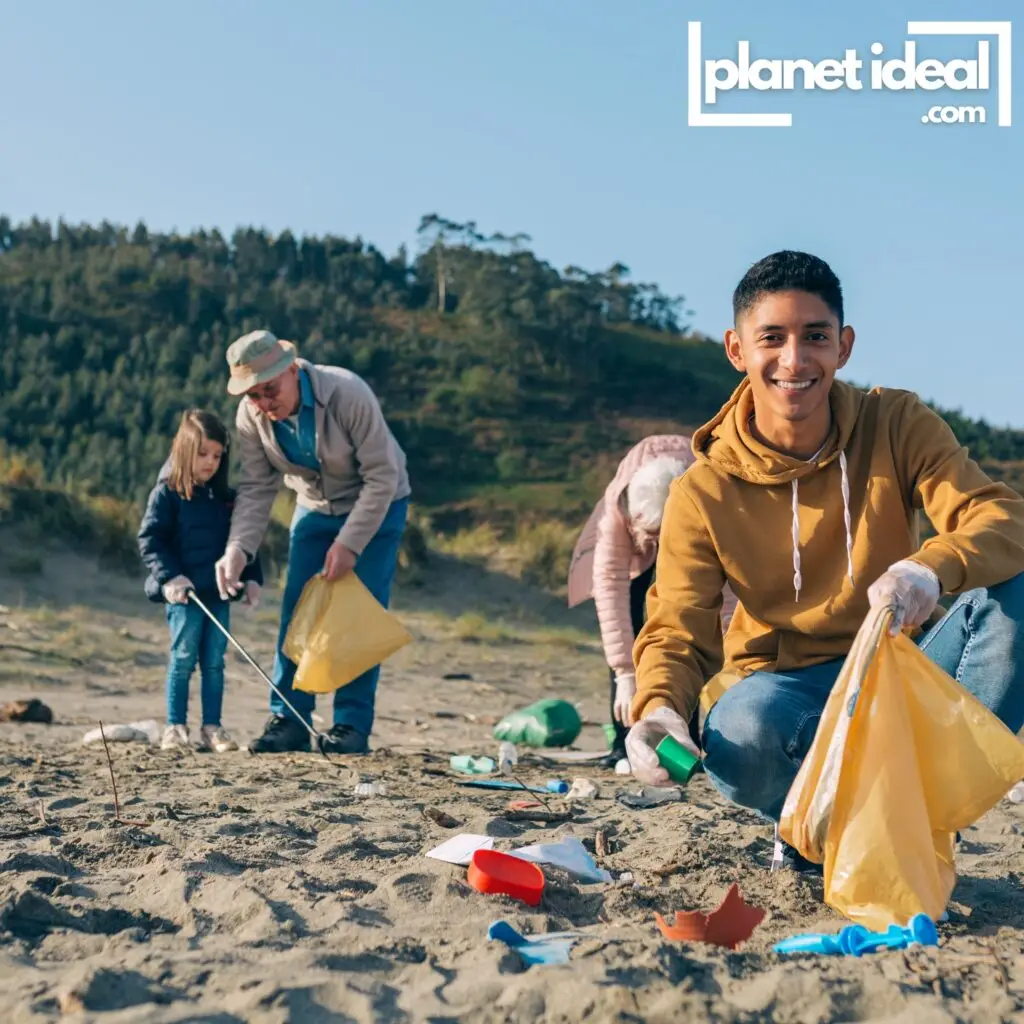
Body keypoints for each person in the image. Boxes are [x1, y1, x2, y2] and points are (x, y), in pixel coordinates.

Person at [625, 250, 1024, 867]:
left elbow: (1001, 518)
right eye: (772, 339)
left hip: (902, 663)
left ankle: (899, 815)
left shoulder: (898, 424)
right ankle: (834, 820)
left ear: (844, 346)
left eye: (815, 337)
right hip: (785, 693)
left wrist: (929, 567)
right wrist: (657, 709)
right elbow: (677, 627)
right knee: (744, 734)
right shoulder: (702, 493)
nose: (795, 360)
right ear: (736, 350)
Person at [213, 330, 411, 755]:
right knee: (298, 613)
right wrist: (238, 549)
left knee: (357, 616)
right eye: (254, 396)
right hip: (315, 507)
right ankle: (290, 718)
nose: (265, 403)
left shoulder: (347, 392)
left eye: (270, 390)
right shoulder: (251, 418)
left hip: (378, 502)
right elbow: (256, 488)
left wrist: (350, 544)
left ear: (292, 368)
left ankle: (350, 726)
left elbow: (382, 477)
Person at [567, 436, 737, 763]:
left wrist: (729, 649)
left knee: (690, 631)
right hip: (633, 551)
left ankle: (686, 739)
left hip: (693, 533)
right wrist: (625, 673)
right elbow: (610, 590)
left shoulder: (710, 502)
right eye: (653, 535)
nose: (659, 546)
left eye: (663, 536)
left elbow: (727, 585)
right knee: (632, 625)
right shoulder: (617, 514)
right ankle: (624, 741)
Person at [138, 409, 264, 752]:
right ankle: (175, 728)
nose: (210, 462)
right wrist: (170, 577)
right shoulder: (167, 495)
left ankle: (212, 728)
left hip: (218, 594)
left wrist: (252, 577)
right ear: (184, 451)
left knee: (213, 662)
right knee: (182, 658)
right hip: (184, 595)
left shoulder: (225, 498)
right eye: (202, 454)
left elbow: (244, 540)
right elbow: (150, 540)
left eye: (217, 455)